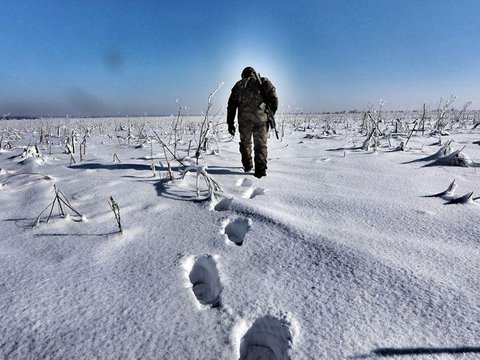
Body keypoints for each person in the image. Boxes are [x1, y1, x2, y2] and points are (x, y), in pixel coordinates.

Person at [227, 66, 278, 178]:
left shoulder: (239, 85)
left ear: (243, 74)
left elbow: (231, 105)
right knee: (260, 145)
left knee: (245, 144)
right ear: (254, 73)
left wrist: (230, 122)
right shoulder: (264, 82)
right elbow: (274, 100)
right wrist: (269, 114)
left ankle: (247, 166)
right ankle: (260, 170)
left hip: (244, 121)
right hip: (261, 120)